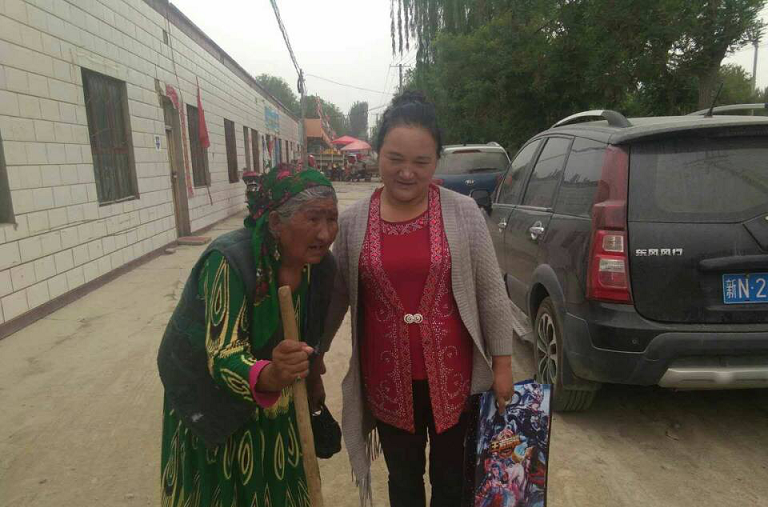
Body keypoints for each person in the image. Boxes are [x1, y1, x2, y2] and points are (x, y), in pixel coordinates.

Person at [320, 91, 519, 507]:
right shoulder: (354, 222)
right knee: (404, 480)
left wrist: (502, 365)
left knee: (453, 480)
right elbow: (335, 298)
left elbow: (491, 294)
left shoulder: (463, 213)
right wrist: (314, 354)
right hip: (387, 382)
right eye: (395, 159)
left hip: (456, 381)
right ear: (377, 154)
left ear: (436, 161)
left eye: (421, 162)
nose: (407, 172)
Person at [157, 163, 338, 507]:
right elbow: (223, 355)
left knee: (278, 481)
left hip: (277, 392)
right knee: (223, 489)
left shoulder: (321, 268)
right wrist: (272, 374)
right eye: (313, 219)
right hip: (208, 393)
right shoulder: (229, 260)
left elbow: (313, 335)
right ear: (276, 223)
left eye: (332, 219)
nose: (325, 233)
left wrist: (312, 376)